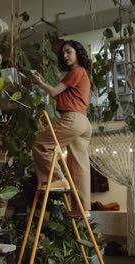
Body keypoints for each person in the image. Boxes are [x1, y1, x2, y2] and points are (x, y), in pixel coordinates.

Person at [31, 39, 93, 217]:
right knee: (79, 165)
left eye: (69, 52)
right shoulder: (82, 74)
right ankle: (82, 209)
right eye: (63, 53)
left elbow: (53, 92)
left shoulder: (77, 71)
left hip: (72, 118)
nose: (65, 56)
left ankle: (57, 179)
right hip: (83, 122)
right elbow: (58, 91)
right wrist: (44, 81)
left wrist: (39, 82)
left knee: (41, 144)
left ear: (77, 53)